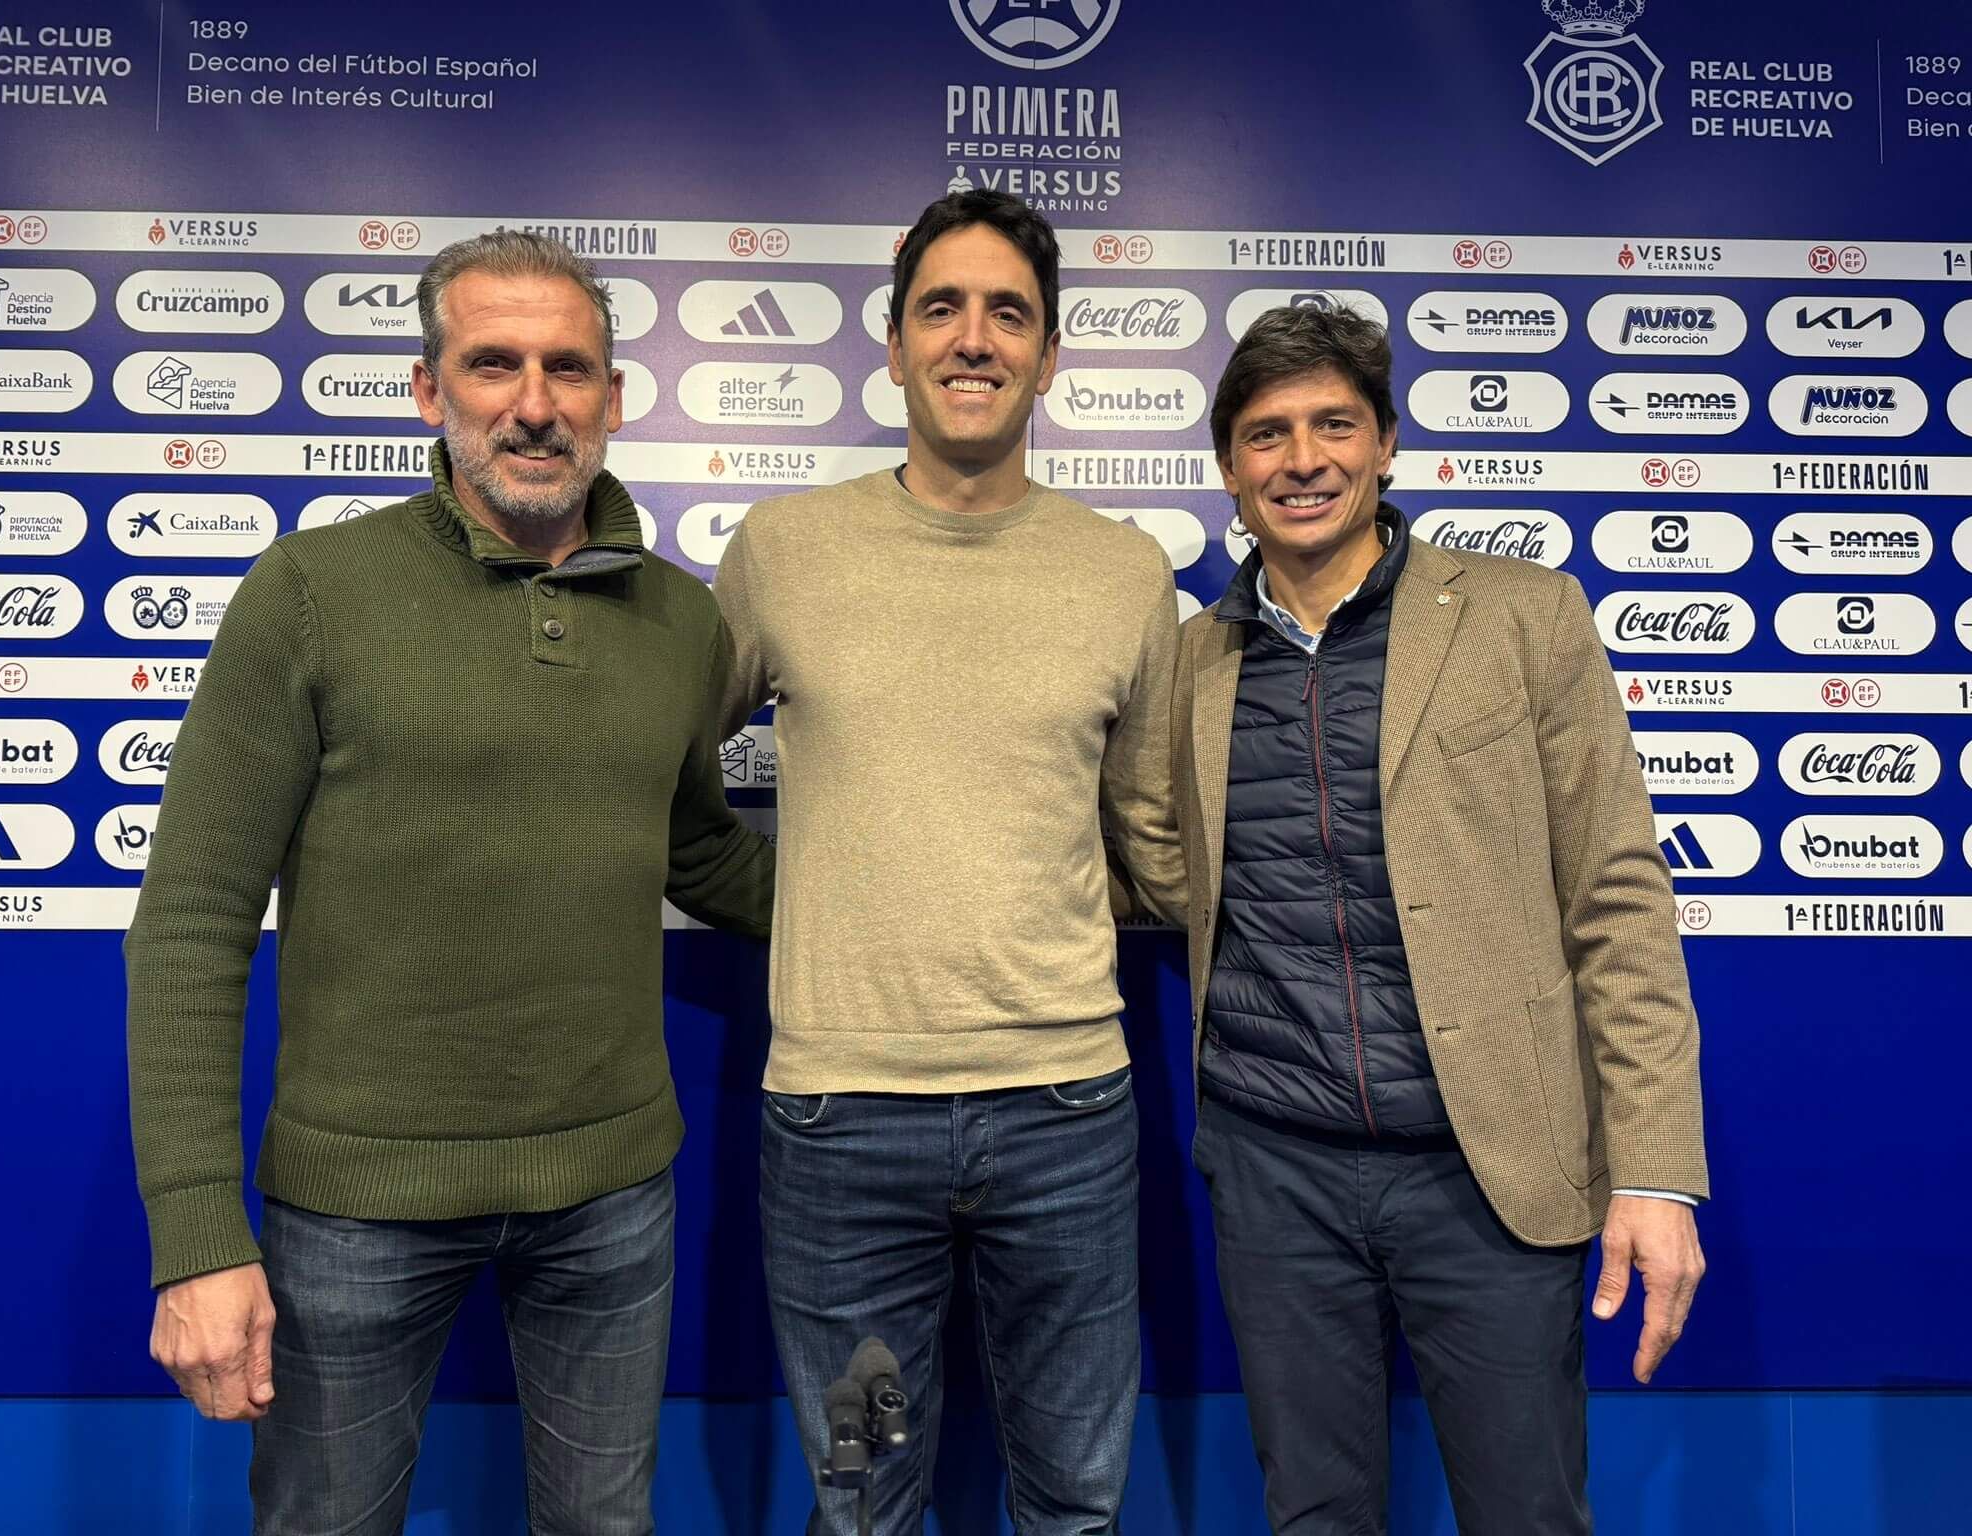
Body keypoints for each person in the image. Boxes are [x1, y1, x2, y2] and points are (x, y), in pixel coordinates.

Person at [126, 229, 774, 1536]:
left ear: (613, 396)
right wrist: (198, 1235)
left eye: (569, 369)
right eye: (494, 364)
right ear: (431, 391)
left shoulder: (682, 621)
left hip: (612, 1197)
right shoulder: (311, 594)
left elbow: (696, 846)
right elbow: (193, 922)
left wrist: (920, 903)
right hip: (356, 1211)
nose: (535, 403)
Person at [1173, 303, 1708, 1535]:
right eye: (1264, 435)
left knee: (1526, 1515)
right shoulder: (1195, 661)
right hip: (1275, 1173)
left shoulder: (1524, 616)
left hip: (1486, 1173)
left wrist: (1656, 1173)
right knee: (1313, 1516)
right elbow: (1156, 862)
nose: (1299, 459)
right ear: (1228, 471)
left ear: (1386, 444)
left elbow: (1616, 895)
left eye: (1330, 426)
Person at [712, 189, 1187, 1535]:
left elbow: (1151, 839)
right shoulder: (784, 553)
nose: (973, 339)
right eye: (943, 309)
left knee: (1077, 1504)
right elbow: (663, 766)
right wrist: (798, 905)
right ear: (893, 341)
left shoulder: (1121, 573)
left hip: (1067, 1125)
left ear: (1047, 355)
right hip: (843, 1130)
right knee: (866, 1500)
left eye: (1008, 314)